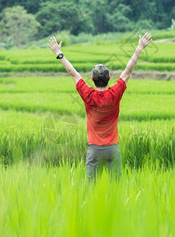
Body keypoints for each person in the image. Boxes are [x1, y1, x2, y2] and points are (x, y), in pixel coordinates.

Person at [47, 33, 153, 182]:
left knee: (92, 188)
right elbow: (128, 70)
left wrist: (59, 54)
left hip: (94, 150)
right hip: (112, 149)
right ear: (109, 79)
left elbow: (73, 73)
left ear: (92, 79)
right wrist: (139, 48)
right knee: (115, 188)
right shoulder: (115, 93)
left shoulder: (88, 94)